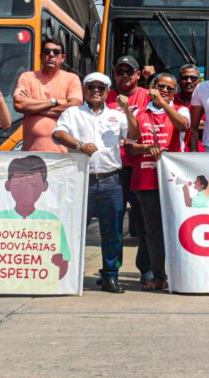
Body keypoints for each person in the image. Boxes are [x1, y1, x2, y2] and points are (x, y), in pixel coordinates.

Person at [53, 73, 139, 293]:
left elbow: (134, 136)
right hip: (82, 180)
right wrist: (79, 145)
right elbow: (59, 134)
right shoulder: (73, 113)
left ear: (107, 91)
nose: (96, 90)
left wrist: (128, 111)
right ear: (84, 89)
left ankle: (110, 275)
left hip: (110, 179)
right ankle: (70, 275)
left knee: (112, 231)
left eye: (101, 87)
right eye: (91, 86)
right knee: (75, 228)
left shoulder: (117, 115)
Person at [127, 73, 190, 290]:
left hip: (174, 181)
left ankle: (180, 273)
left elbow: (183, 126)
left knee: (177, 228)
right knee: (152, 231)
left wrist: (164, 103)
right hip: (146, 179)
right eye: (160, 86)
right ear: (152, 87)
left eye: (170, 89)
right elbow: (130, 146)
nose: (164, 90)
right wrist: (146, 147)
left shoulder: (181, 110)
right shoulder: (138, 112)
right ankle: (158, 275)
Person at [105, 55, 152, 285]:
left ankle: (146, 269)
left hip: (140, 166)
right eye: (120, 71)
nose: (124, 75)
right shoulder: (105, 96)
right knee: (114, 222)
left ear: (137, 74)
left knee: (143, 222)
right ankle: (112, 270)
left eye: (129, 71)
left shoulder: (146, 95)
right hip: (114, 167)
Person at [13, 37, 82, 152]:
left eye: (56, 52)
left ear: (63, 58)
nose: (51, 55)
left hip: (62, 155)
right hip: (31, 153)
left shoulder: (72, 79)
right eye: (47, 51)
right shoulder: (28, 77)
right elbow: (19, 104)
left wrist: (33, 108)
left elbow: (74, 107)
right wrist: (54, 101)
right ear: (40, 56)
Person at [176, 63, 204, 151]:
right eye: (184, 78)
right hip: (176, 154)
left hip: (203, 153)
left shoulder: (208, 101)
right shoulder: (170, 101)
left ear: (199, 81)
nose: (189, 81)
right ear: (178, 81)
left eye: (193, 78)